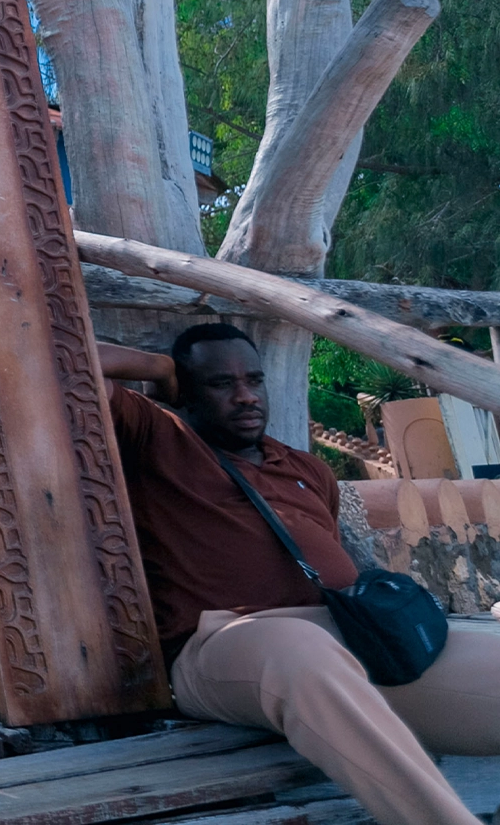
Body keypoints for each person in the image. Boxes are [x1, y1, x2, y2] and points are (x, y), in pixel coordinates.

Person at [100, 326, 500, 825]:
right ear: (185, 390)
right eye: (221, 384)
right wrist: (157, 368)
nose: (245, 396)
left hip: (348, 637)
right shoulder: (158, 438)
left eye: (254, 380)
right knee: (302, 651)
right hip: (223, 642)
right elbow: (59, 357)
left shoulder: (305, 468)